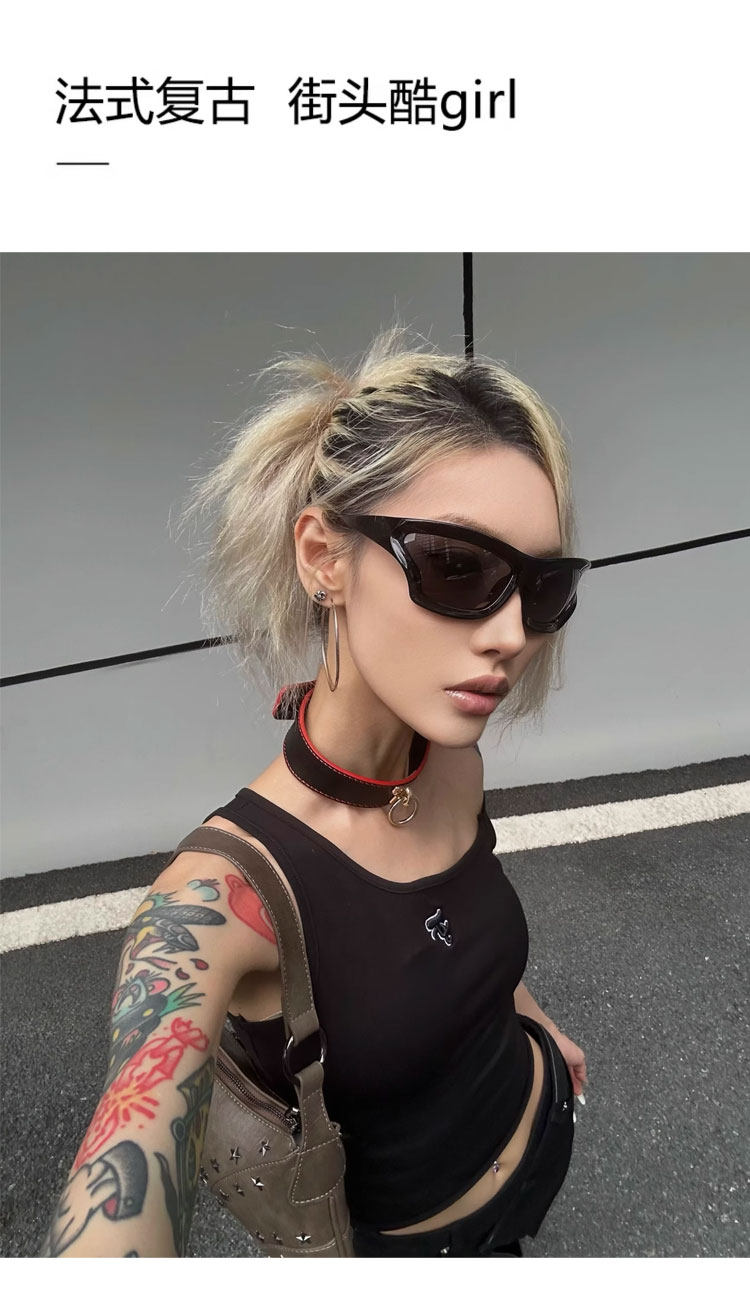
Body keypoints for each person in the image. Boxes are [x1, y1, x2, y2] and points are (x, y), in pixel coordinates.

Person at [41, 325, 589, 1258]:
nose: (512, 634)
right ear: (324, 557)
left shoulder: (451, 763)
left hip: (539, 1126)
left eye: (542, 589)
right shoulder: (215, 901)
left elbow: (459, 933)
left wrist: (532, 1021)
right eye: (458, 566)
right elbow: (127, 1157)